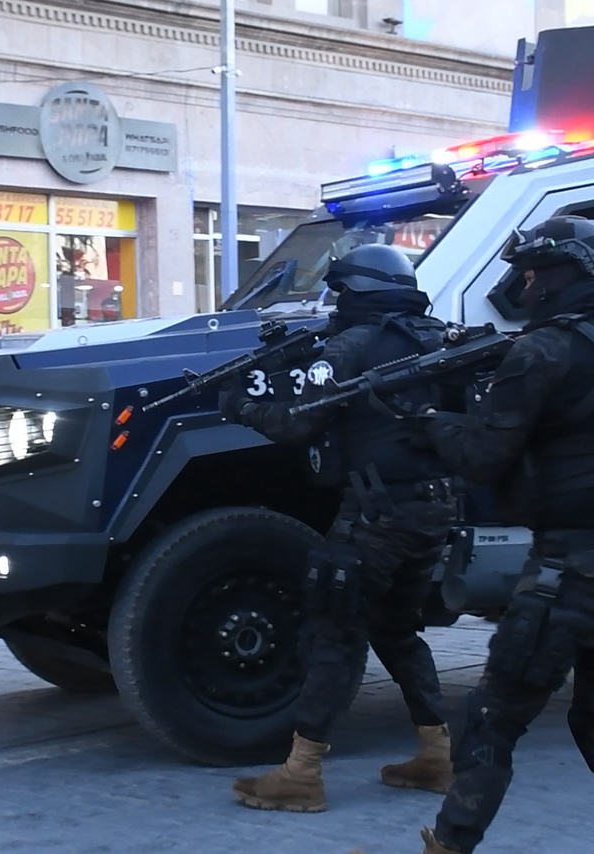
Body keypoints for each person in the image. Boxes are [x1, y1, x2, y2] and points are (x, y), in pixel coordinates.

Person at [414, 216, 594, 854]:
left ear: (568, 273)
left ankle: (450, 846)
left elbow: (484, 458)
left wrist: (431, 419)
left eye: (535, 272)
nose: (526, 284)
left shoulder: (542, 350)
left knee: (491, 719)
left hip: (573, 570)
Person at [219, 243, 460, 813]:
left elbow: (299, 424)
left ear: (358, 292)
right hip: (434, 508)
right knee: (398, 629)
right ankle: (437, 756)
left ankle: (301, 774)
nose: (336, 301)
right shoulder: (439, 339)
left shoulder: (352, 344)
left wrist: (239, 405)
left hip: (377, 514)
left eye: (341, 292)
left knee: (333, 631)